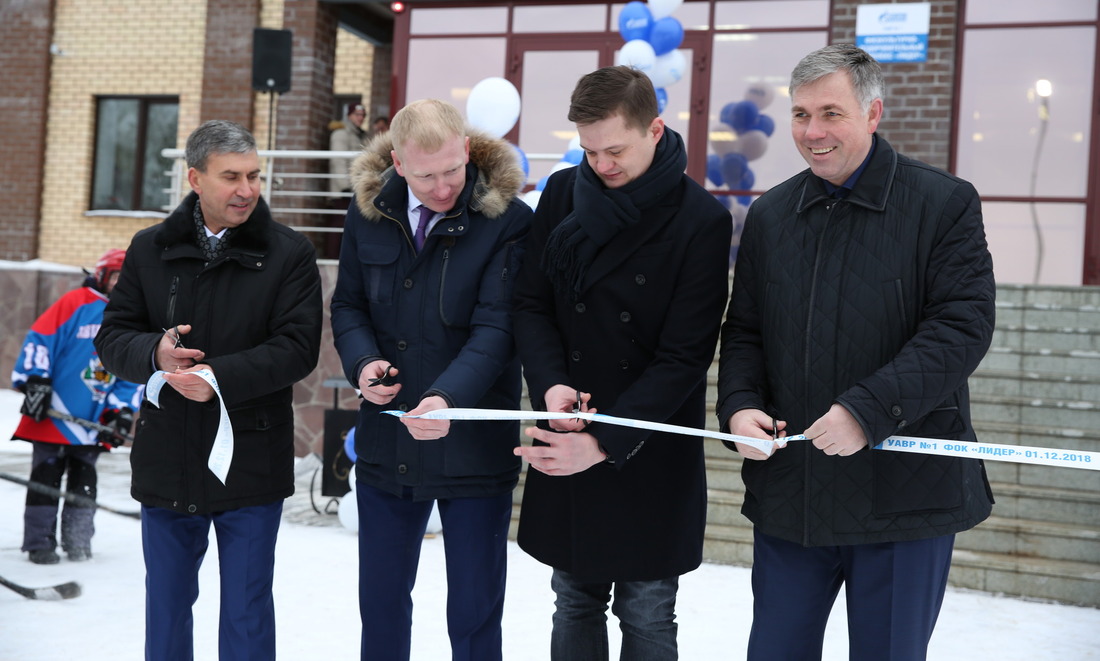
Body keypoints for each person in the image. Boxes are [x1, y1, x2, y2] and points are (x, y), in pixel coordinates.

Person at [717, 43, 996, 660]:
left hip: (904, 500)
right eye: (799, 114)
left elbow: (961, 328)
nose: (812, 132)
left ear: (873, 114)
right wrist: (738, 406)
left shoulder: (943, 204)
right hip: (794, 496)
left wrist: (868, 412)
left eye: (830, 113)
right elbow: (745, 332)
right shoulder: (770, 214)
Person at [512, 65, 733, 660]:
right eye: (589, 151)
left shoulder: (701, 221)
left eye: (615, 149)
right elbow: (531, 304)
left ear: (655, 129)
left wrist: (606, 440)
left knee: (647, 610)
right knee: (573, 599)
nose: (601, 165)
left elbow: (685, 357)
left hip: (647, 445)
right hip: (569, 424)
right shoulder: (562, 194)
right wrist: (552, 384)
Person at [95, 119, 323, 661]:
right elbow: (112, 338)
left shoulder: (289, 253)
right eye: (231, 177)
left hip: (250, 460)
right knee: (167, 608)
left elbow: (297, 349)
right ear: (195, 178)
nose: (247, 189)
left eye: (254, 176)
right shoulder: (149, 248)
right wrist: (155, 352)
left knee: (246, 611)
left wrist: (216, 379)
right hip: (167, 458)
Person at [330, 98, 532, 661]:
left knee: (474, 611)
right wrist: (363, 363)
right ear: (397, 162)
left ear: (467, 150)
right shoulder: (366, 212)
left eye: (451, 170)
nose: (442, 187)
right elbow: (347, 307)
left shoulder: (508, 221)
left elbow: (498, 330)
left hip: (473, 448)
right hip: (387, 444)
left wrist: (447, 397)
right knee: (383, 605)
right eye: (425, 176)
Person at [10, 249, 142, 565]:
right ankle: (39, 543)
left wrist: (120, 411)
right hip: (53, 416)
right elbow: (40, 340)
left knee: (85, 482)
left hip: (93, 420)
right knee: (46, 480)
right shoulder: (75, 303)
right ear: (101, 275)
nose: (121, 283)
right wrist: (36, 381)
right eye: (116, 276)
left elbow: (132, 371)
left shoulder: (135, 316)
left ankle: (78, 541)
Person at [330, 101, 369, 195]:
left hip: (357, 190)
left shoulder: (362, 136)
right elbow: (338, 161)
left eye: (363, 115)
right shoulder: (340, 134)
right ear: (349, 116)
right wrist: (345, 187)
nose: (361, 118)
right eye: (357, 114)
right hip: (343, 192)